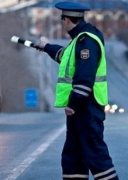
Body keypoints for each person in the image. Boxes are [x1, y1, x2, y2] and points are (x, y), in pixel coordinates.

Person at [33, 1, 119, 180]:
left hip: (87, 107)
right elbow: (65, 57)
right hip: (82, 108)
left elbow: (84, 76)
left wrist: (73, 103)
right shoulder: (79, 40)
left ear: (65, 20)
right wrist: (47, 46)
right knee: (73, 156)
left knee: (96, 155)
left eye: (62, 19)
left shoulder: (86, 40)